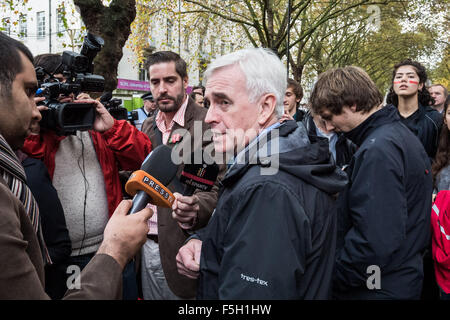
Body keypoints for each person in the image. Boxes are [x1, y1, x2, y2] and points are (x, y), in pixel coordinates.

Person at [176, 48, 348, 299]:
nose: (210, 117)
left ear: (265, 107)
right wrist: (207, 241)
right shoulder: (278, 162)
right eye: (208, 103)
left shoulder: (268, 188)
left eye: (224, 102)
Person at [0, 31, 153, 299]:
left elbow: (144, 157)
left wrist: (111, 128)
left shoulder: (94, 124)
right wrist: (42, 124)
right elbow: (26, 161)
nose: (67, 96)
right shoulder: (29, 131)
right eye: (56, 88)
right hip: (61, 257)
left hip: (111, 243)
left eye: (70, 88)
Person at [309, 65, 432, 299]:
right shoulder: (393, 135)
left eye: (329, 117)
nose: (330, 127)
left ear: (352, 104)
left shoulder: (378, 150)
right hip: (395, 279)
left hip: (376, 287)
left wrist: (336, 278)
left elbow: (376, 239)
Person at [140, 51, 222, 300]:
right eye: (155, 82)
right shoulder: (148, 125)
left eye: (170, 80)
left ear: (185, 81)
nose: (162, 89)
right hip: (144, 247)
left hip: (183, 247)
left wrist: (195, 207)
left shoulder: (205, 124)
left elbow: (217, 187)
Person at [386, 59, 443, 160]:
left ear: (420, 85)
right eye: (399, 76)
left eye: (410, 76)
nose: (403, 79)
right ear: (394, 84)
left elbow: (441, 157)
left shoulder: (435, 120)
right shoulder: (383, 118)